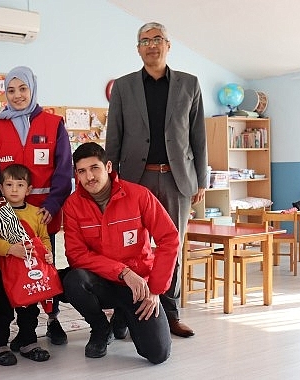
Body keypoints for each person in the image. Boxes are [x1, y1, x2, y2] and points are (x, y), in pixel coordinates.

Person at [105, 22, 207, 338]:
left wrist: (201, 179)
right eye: (145, 40)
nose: (151, 45)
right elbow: (114, 137)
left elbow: (198, 137)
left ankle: (169, 313)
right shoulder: (123, 87)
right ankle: (127, 311)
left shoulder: (190, 84)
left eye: (157, 39)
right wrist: (111, 182)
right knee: (130, 247)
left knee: (171, 247)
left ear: (168, 45)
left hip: (178, 180)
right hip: (136, 179)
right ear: (138, 48)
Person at [0, 66, 72, 346]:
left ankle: (52, 319)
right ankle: (10, 330)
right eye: (11, 90)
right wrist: (0, 211)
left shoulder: (53, 124)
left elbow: (63, 170)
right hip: (7, 219)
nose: (17, 95)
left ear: (33, 89)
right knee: (11, 272)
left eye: (23, 88)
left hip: (43, 215)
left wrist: (53, 204)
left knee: (44, 268)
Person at [62, 142, 178, 364]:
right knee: (73, 280)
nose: (89, 177)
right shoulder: (72, 205)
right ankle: (100, 329)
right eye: (82, 171)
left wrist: (155, 290)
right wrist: (122, 272)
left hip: (140, 285)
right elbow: (76, 254)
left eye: (94, 168)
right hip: (103, 283)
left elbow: (169, 238)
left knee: (158, 353)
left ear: (107, 167)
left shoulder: (139, 195)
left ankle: (123, 315)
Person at [0, 164, 54, 366]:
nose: (14, 189)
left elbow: (44, 238)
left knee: (29, 310)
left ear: (29, 189)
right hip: (4, 273)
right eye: (9, 184)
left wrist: (48, 255)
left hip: (29, 273)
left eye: (20, 184)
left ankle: (28, 342)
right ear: (1, 188)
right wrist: (9, 249)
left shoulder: (36, 214)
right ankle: (0, 346)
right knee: (3, 311)